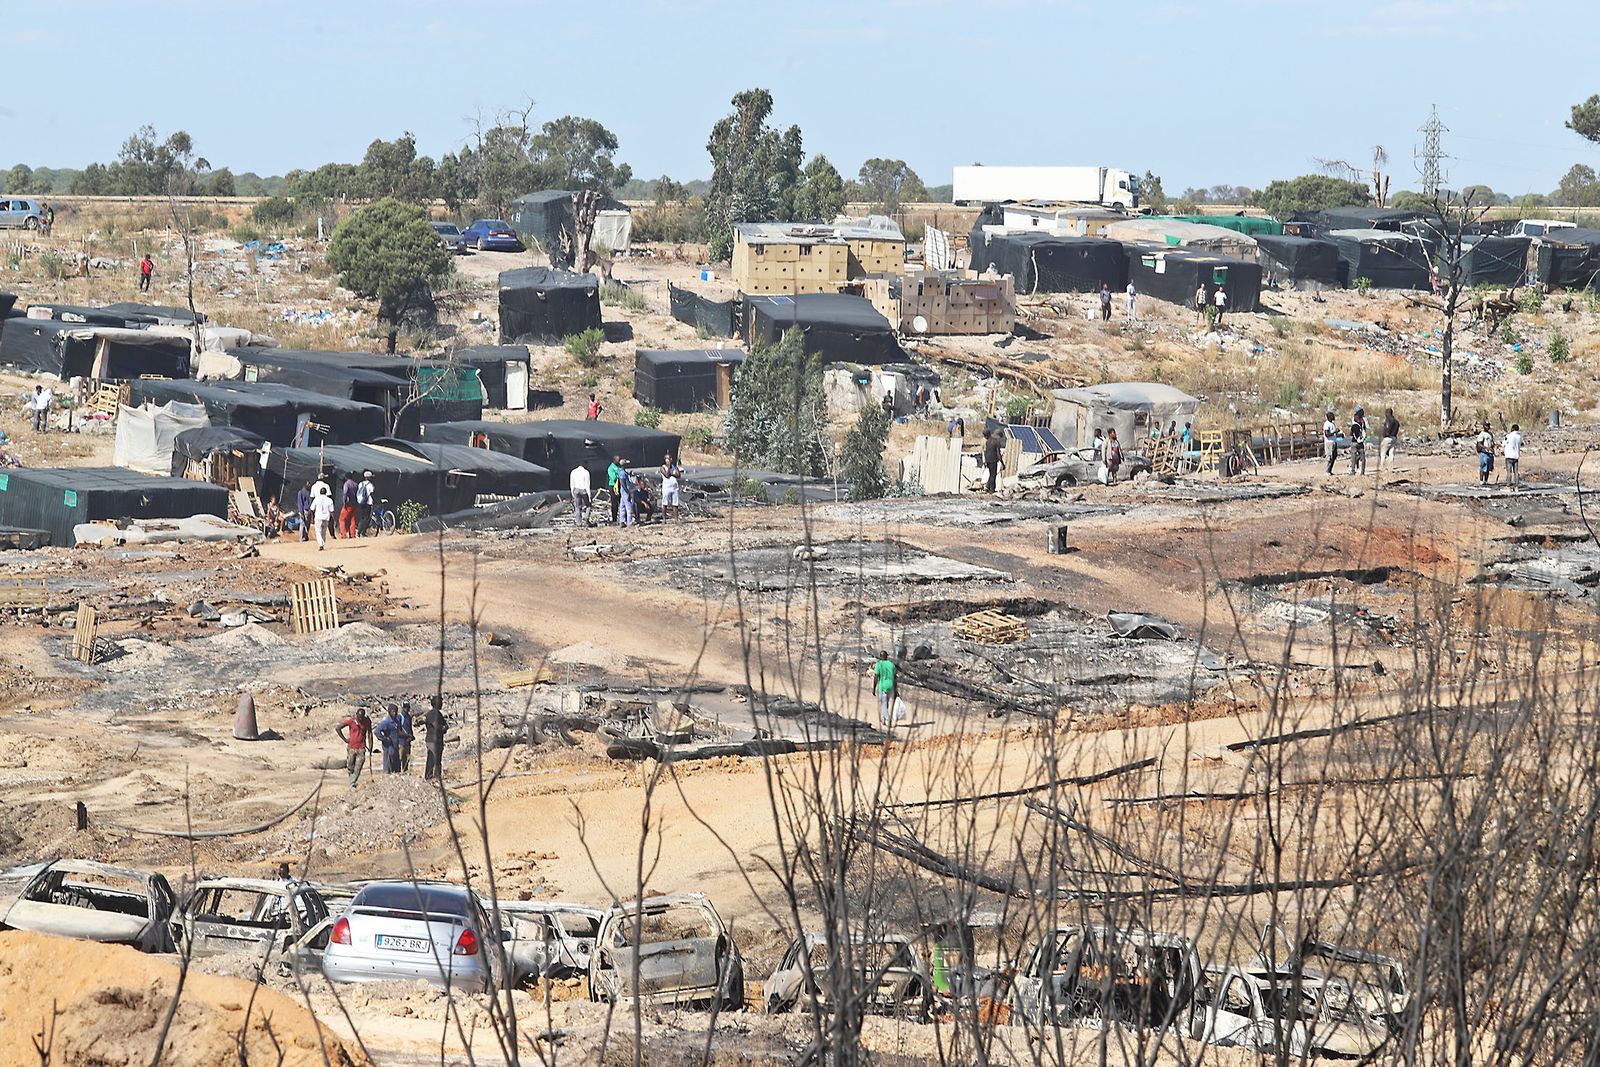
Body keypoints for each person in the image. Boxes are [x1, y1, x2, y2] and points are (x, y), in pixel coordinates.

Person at [336, 707, 373, 788]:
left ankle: (352, 783)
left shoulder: (367, 721)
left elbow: (370, 733)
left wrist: (371, 746)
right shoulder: (351, 721)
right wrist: (345, 739)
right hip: (351, 747)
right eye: (359, 717)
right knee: (350, 766)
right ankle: (352, 781)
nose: (360, 719)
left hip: (361, 747)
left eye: (362, 717)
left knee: (358, 766)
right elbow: (338, 728)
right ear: (356, 715)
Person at [423, 695, 448, 781]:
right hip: (432, 740)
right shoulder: (432, 714)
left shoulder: (439, 714)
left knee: (438, 760)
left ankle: (437, 777)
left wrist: (444, 727)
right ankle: (429, 777)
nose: (442, 704)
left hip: (438, 740)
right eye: (441, 702)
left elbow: (445, 726)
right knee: (432, 759)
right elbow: (436, 725)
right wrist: (443, 728)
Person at [373, 704, 404, 774]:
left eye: (396, 711)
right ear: (389, 712)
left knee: (396, 762)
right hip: (388, 746)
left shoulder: (397, 720)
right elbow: (377, 731)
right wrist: (385, 738)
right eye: (393, 712)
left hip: (395, 744)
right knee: (388, 761)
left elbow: (399, 731)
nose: (394, 713)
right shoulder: (386, 722)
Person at [872, 650, 897, 726]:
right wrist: (896, 689)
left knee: (883, 703)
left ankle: (888, 719)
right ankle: (883, 719)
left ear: (880, 657)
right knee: (886, 703)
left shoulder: (879, 664)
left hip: (883, 686)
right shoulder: (892, 665)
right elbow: (895, 678)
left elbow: (876, 676)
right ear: (887, 656)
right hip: (891, 685)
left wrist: (874, 688)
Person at [311, 483, 336, 550]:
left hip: (318, 517)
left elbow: (312, 509)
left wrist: (312, 517)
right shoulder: (329, 500)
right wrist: (333, 518)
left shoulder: (316, 499)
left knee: (318, 531)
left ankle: (321, 544)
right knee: (324, 532)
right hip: (326, 518)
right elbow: (332, 510)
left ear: (320, 492)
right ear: (326, 493)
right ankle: (323, 544)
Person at [660, 453, 682, 519]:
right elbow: (666, 475)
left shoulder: (674, 467)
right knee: (665, 503)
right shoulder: (662, 467)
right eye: (669, 459)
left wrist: (674, 470)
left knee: (675, 504)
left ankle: (676, 519)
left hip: (674, 488)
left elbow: (678, 475)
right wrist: (669, 467)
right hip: (667, 488)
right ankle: (664, 519)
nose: (671, 460)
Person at [396, 700, 415, 773]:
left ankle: (405, 771)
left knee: (407, 758)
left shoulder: (409, 717)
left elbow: (410, 728)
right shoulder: (399, 717)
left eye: (407, 707)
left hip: (407, 742)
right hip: (401, 741)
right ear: (402, 707)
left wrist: (411, 736)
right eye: (405, 707)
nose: (406, 709)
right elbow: (398, 730)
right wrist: (407, 735)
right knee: (400, 757)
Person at [1347, 409, 1367, 476]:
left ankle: (1353, 471)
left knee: (1353, 457)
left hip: (1354, 443)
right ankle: (1362, 472)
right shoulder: (1361, 425)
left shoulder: (1354, 426)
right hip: (1360, 443)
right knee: (1362, 457)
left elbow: (1350, 434)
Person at [356, 470, 376, 536]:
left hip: (361, 502)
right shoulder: (370, 485)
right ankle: (362, 532)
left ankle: (359, 531)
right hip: (368, 502)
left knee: (362, 517)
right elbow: (372, 493)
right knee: (367, 518)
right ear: (369, 477)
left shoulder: (360, 484)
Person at [339, 472, 358, 539]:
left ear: (346, 477)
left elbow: (345, 493)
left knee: (342, 519)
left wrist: (344, 502)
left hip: (348, 504)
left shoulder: (346, 484)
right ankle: (353, 534)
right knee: (353, 519)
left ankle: (343, 534)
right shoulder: (355, 484)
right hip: (355, 503)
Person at [607, 454, 624, 524]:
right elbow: (613, 477)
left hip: (620, 486)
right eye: (618, 459)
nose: (619, 461)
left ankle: (622, 518)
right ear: (614, 460)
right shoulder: (611, 468)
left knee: (621, 502)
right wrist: (619, 473)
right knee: (614, 503)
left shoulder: (618, 467)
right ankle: (614, 519)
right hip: (613, 486)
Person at [1504, 423, 1523, 488]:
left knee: (1509, 471)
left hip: (1509, 456)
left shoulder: (1508, 436)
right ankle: (1517, 485)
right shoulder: (1519, 437)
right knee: (1516, 472)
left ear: (1512, 429)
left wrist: (1505, 437)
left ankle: (1508, 485)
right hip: (1516, 456)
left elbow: (1503, 443)